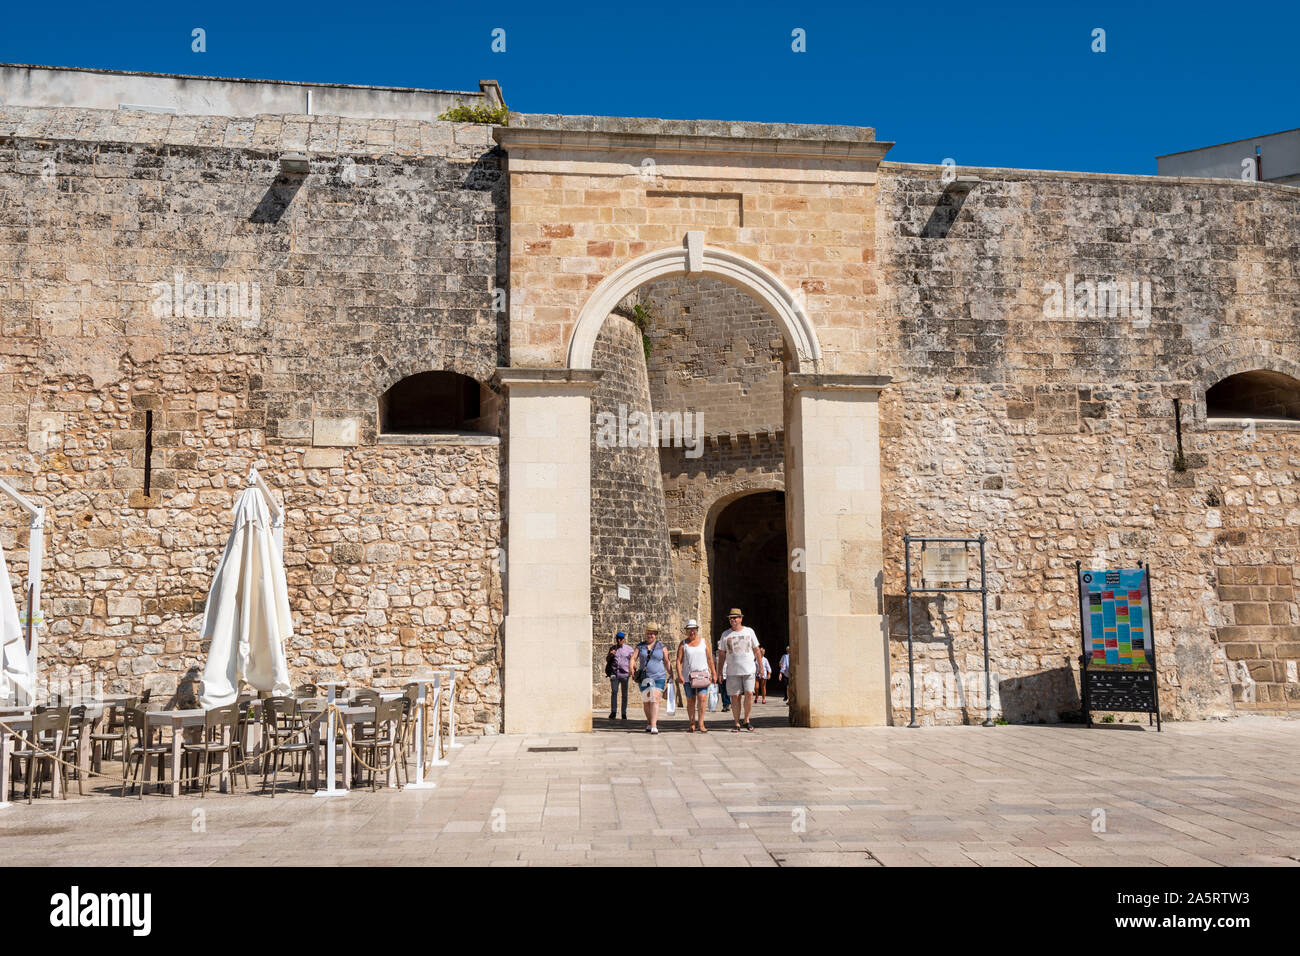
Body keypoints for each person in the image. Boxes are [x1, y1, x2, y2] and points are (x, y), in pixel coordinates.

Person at [717, 608, 760, 732]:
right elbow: (722, 655)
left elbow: (756, 650)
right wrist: (719, 672)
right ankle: (736, 722)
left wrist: (761, 667)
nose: (732, 619)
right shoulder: (725, 634)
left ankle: (746, 719)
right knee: (735, 697)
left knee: (749, 693)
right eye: (731, 618)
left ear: (741, 618)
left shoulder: (749, 631)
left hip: (749, 669)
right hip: (732, 671)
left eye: (735, 617)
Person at [675, 619, 717, 733]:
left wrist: (714, 673)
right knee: (691, 700)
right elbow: (678, 661)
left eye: (693, 629)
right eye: (689, 630)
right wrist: (679, 675)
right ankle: (692, 723)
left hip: (703, 675)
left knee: (702, 698)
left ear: (697, 630)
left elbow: (709, 659)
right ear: (686, 631)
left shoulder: (704, 642)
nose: (691, 632)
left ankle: (701, 723)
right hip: (688, 677)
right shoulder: (683, 644)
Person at [635, 622, 675, 734]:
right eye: (648, 633)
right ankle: (649, 722)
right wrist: (631, 667)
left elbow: (666, 661)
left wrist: (671, 673)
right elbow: (633, 658)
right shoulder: (640, 646)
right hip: (644, 678)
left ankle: (654, 725)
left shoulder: (661, 647)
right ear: (645, 634)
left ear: (656, 635)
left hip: (659, 677)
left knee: (655, 698)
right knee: (646, 701)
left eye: (653, 633)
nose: (650, 635)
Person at [607, 631, 635, 720]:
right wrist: (610, 654)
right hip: (614, 674)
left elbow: (633, 660)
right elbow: (607, 660)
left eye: (620, 639)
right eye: (617, 638)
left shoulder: (629, 649)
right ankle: (613, 712)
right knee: (614, 692)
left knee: (624, 694)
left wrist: (633, 669)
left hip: (625, 674)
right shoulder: (612, 648)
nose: (619, 640)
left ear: (624, 639)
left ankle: (623, 713)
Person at [715, 636, 731, 712]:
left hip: (727, 674)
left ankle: (727, 704)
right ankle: (725, 704)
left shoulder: (728, 654)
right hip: (720, 675)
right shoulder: (716, 654)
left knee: (728, 690)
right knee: (722, 691)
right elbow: (716, 664)